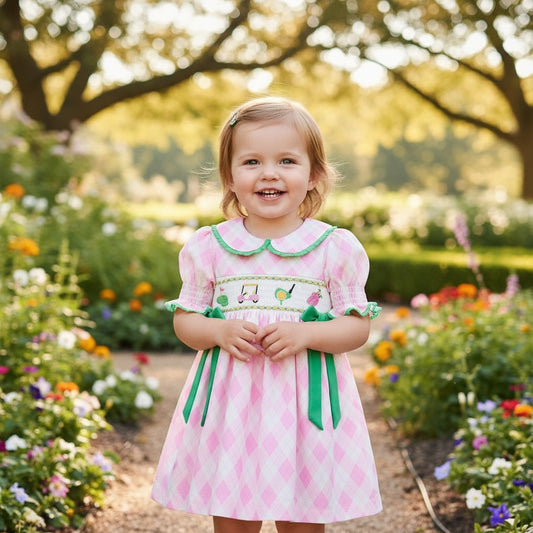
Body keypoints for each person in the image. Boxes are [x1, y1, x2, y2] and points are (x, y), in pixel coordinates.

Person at [151, 96, 382, 533]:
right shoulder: (211, 247)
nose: (269, 172)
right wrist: (217, 329)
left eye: (287, 160)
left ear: (313, 174)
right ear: (230, 175)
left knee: (302, 514)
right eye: (252, 161)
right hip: (233, 406)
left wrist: (306, 335)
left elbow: (356, 327)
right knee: (234, 511)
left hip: (303, 409)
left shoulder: (334, 248)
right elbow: (186, 322)